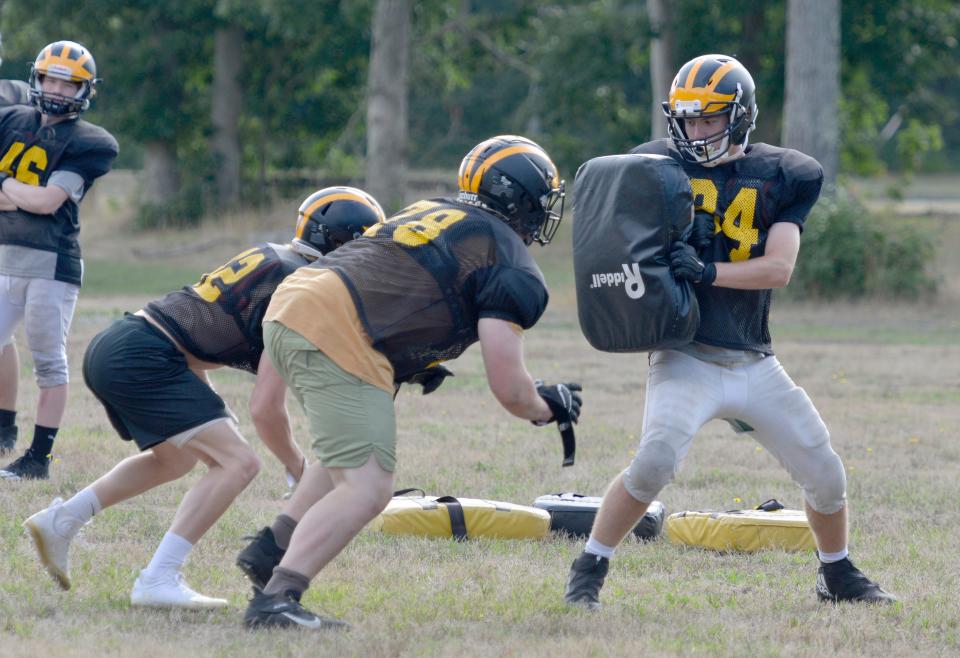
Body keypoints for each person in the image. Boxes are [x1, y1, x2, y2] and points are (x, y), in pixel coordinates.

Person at [563, 54, 896, 609]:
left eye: (710, 119)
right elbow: (607, 236)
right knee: (654, 462)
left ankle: (837, 576)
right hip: (685, 353)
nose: (696, 131)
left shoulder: (785, 174)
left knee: (825, 472)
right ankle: (589, 568)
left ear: (739, 118)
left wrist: (709, 271)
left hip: (752, 357)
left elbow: (779, 269)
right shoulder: (652, 165)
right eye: (689, 120)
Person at [237, 134, 584, 630]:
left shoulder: (429, 209)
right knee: (368, 487)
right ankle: (277, 598)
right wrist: (544, 405)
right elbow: (509, 387)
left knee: (350, 456)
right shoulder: (512, 265)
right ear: (522, 199)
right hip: (340, 326)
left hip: (295, 301)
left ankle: (273, 547)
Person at [23, 187, 385, 609]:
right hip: (143, 355)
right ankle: (158, 578)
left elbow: (195, 331)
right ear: (343, 243)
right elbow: (266, 408)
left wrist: (210, 409)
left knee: (177, 459)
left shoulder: (277, 258)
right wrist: (297, 466)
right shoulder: (301, 287)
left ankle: (63, 520)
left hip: (127, 343)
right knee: (239, 463)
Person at [0, 40, 118, 478]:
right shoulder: (9, 119)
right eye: (51, 78)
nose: (57, 89)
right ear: (36, 76)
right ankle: (4, 428)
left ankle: (38, 459)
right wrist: (19, 194)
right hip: (3, 257)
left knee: (48, 361)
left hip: (51, 264)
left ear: (85, 91)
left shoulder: (89, 141)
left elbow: (47, 201)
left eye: (69, 85)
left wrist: (5, 184)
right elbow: (28, 199)